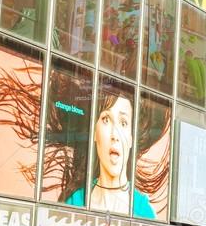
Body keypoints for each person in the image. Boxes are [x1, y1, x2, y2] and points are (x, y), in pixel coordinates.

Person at [65, 90, 155, 218]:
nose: (115, 135)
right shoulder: (76, 202)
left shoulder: (144, 211)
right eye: (106, 119)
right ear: (95, 131)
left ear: (131, 139)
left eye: (123, 123)